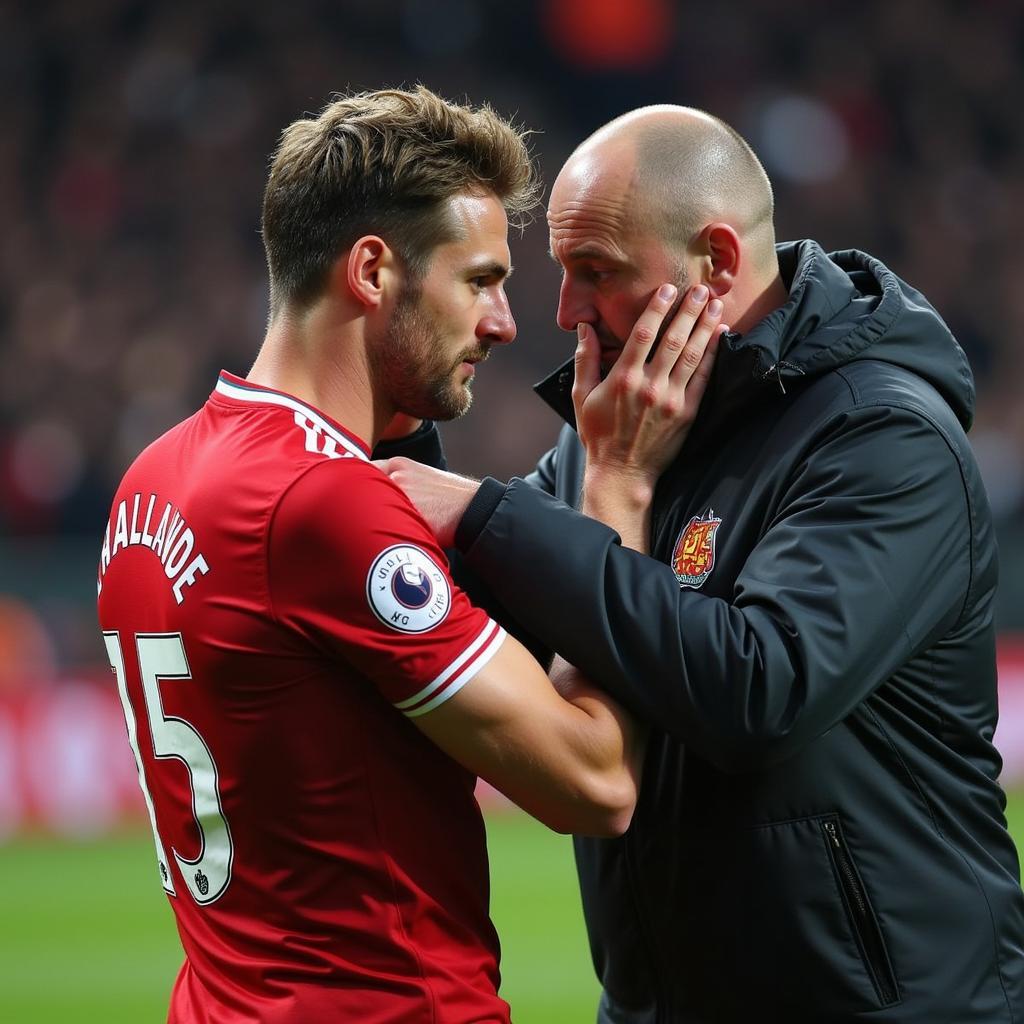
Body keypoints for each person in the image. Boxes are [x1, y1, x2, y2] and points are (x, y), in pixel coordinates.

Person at [380, 105, 1024, 1022]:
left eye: (594, 272)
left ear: (717, 263)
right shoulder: (627, 427)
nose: (564, 313)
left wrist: (527, 504)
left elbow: (759, 689)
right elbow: (487, 611)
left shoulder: (884, 437)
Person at [94, 87, 724, 1023]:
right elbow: (594, 781)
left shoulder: (154, 478)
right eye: (478, 280)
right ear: (373, 270)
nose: (508, 322)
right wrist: (619, 487)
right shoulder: (320, 503)